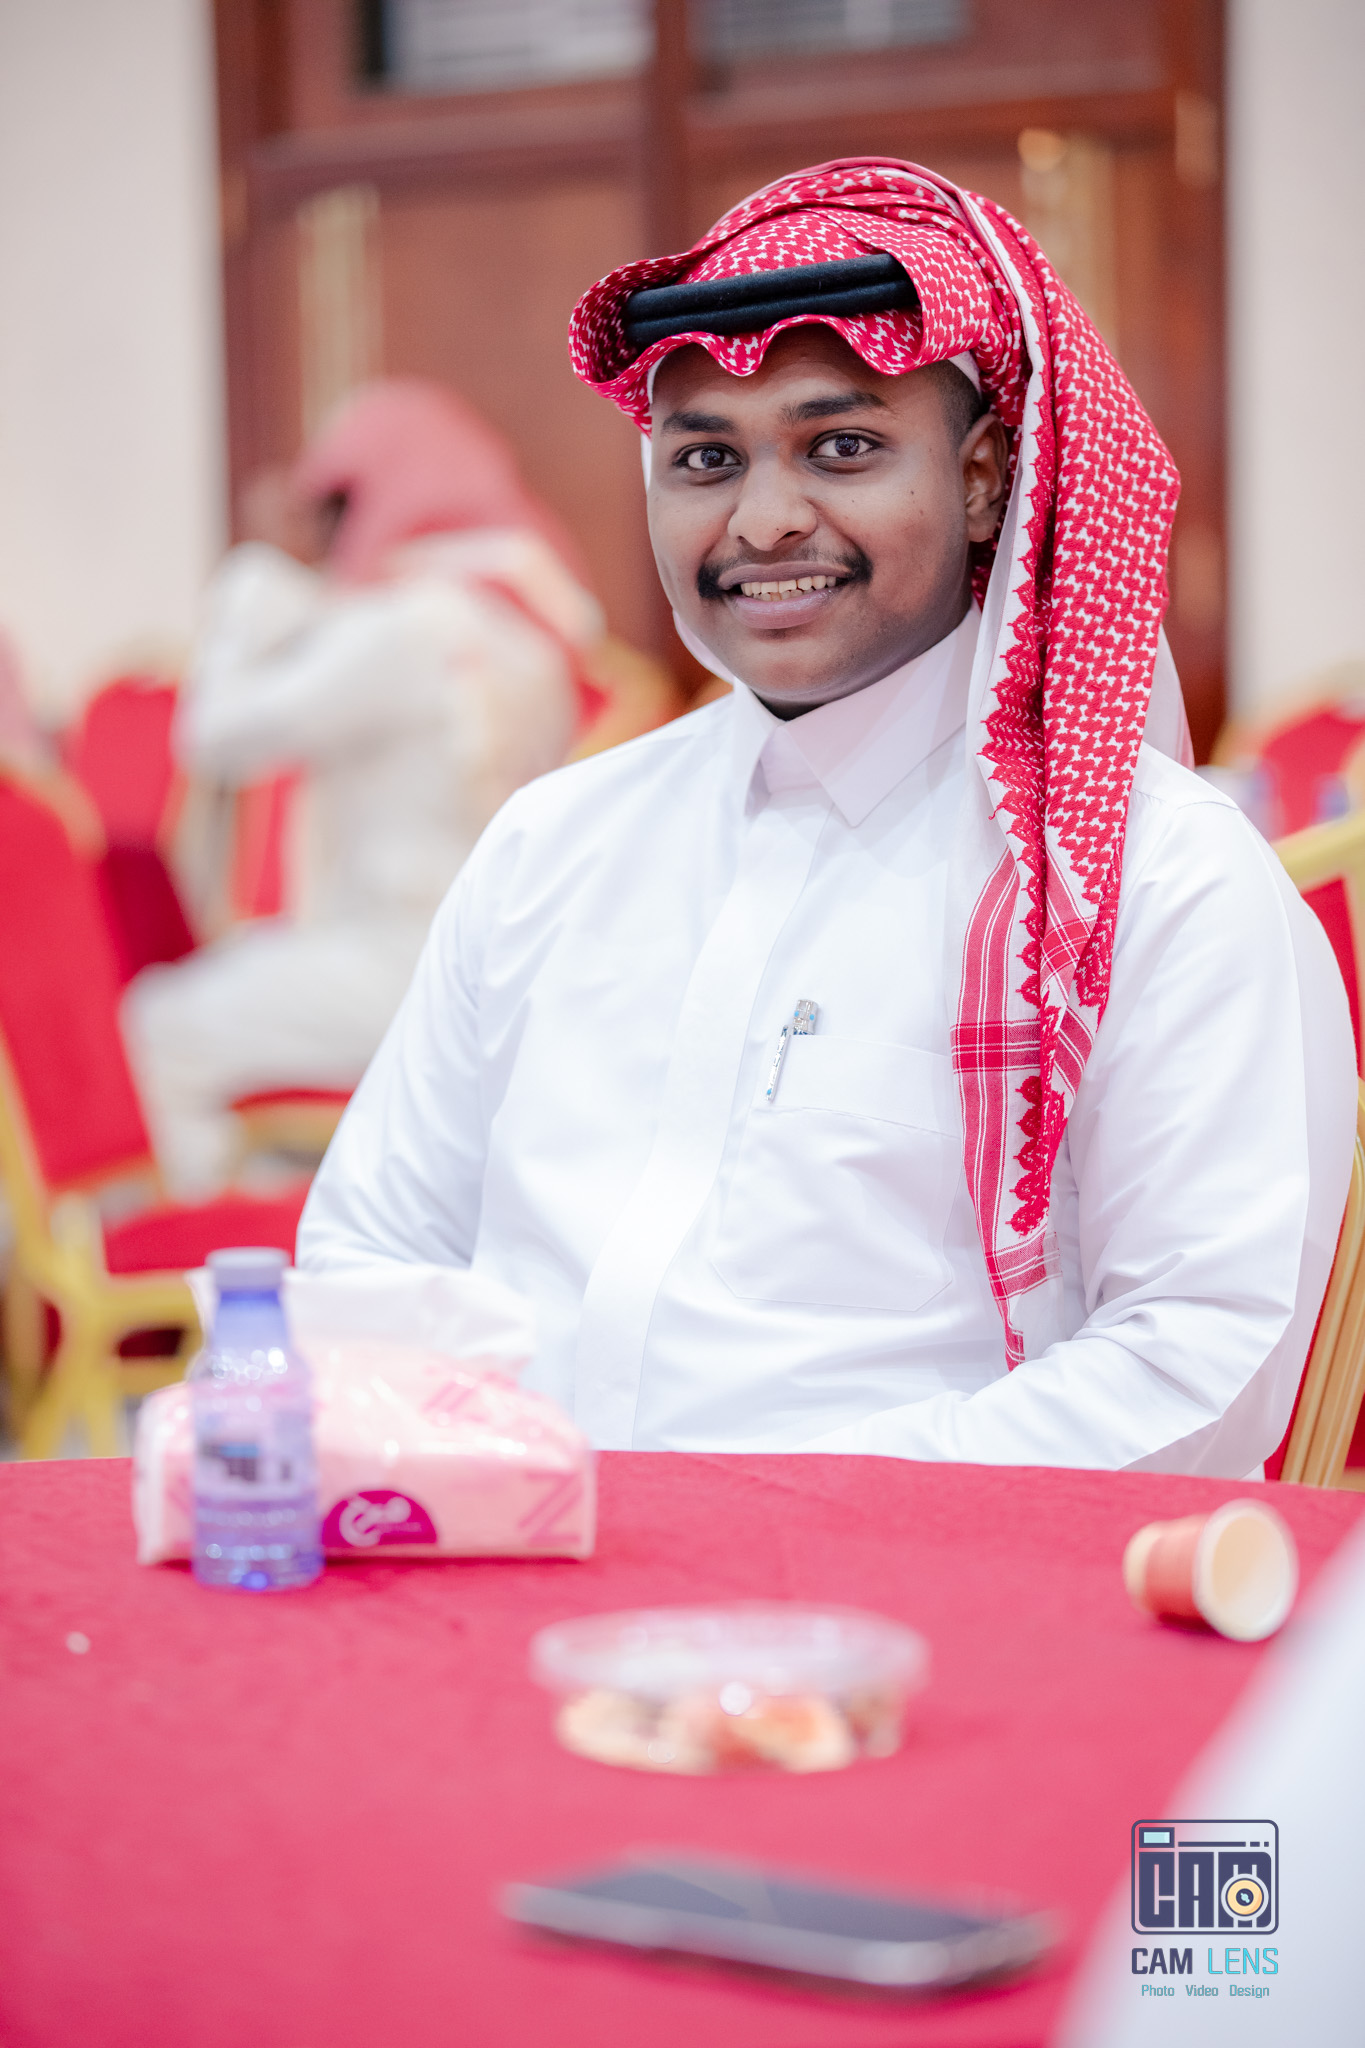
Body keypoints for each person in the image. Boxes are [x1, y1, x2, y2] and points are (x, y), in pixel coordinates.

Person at [298, 160, 1355, 1473]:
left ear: (983, 478)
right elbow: (369, 1256)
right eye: (705, 460)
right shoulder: (550, 843)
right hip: (511, 1549)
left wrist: (779, 1522)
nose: (763, 521)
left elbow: (1196, 1371)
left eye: (840, 447)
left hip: (926, 1580)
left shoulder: (1155, 879)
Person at [121, 379, 602, 1198]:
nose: (328, 529)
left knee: (155, 1027)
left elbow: (212, 736)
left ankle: (203, 1260)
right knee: (236, 989)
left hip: (403, 959)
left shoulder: (411, 628)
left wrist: (260, 573)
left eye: (335, 503)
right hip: (498, 962)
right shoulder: (519, 612)